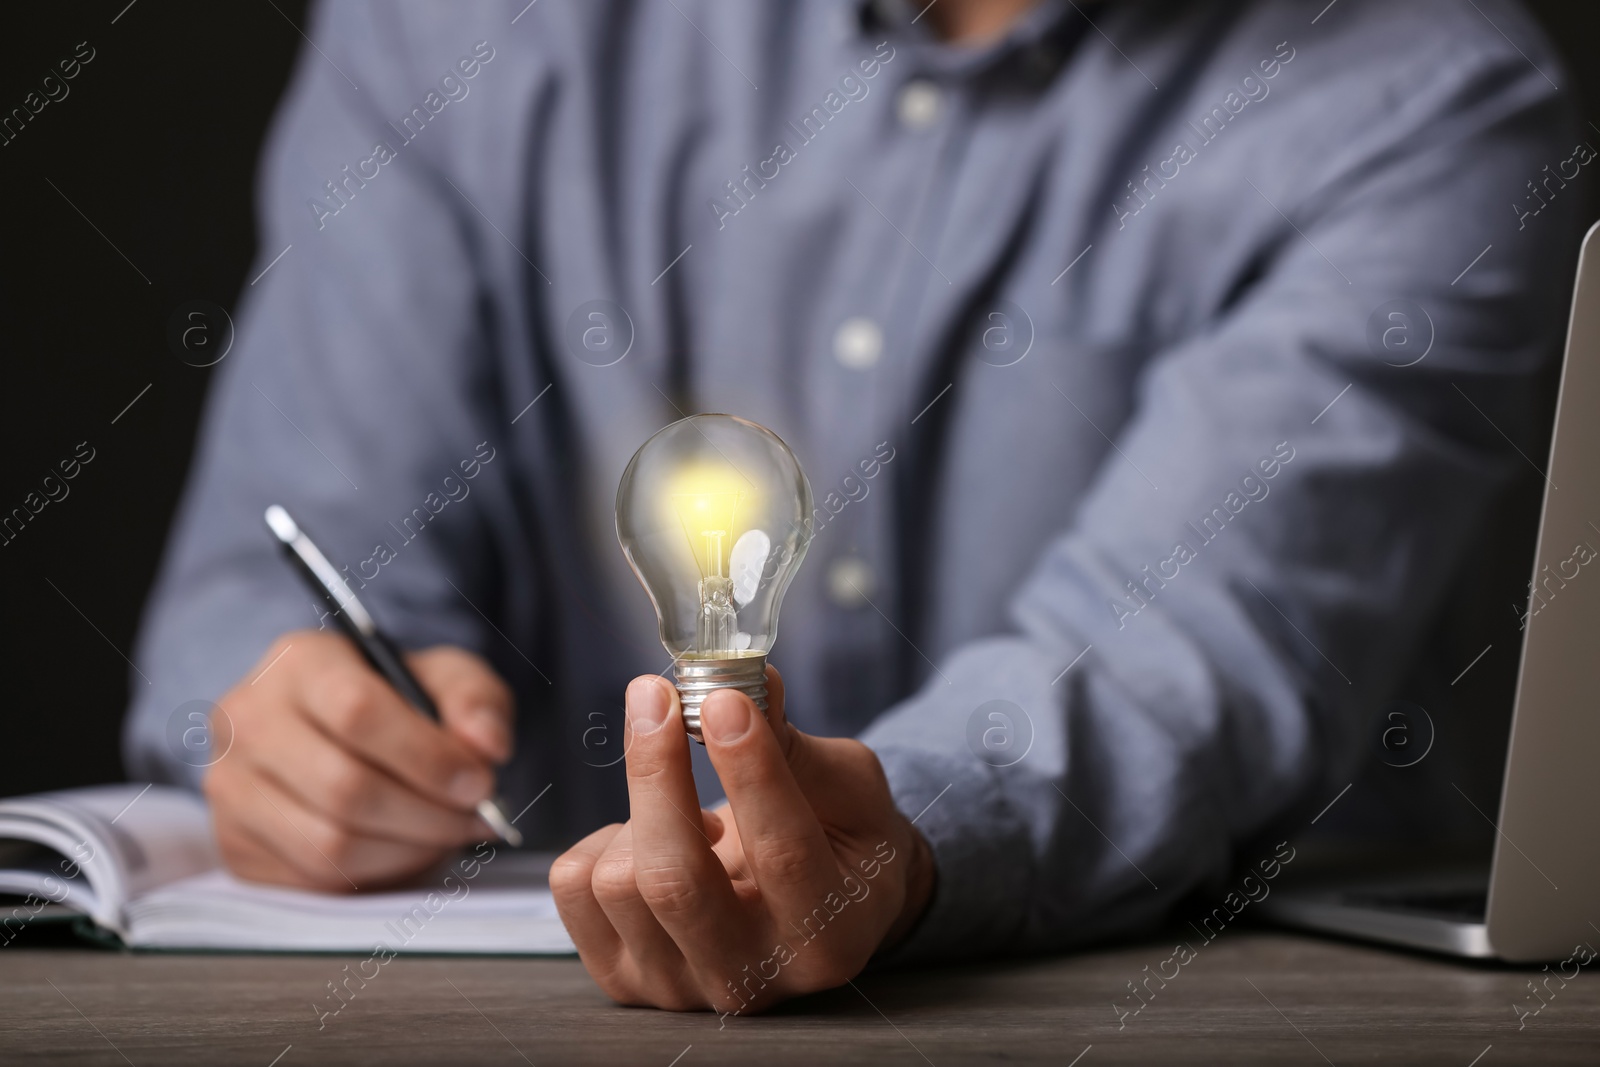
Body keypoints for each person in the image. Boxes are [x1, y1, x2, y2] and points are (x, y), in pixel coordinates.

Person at [125, 0, 1580, 1013]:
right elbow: (271, 576)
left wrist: (908, 835)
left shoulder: (1425, 99)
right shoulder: (454, 29)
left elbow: (1174, 665)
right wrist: (288, 724)